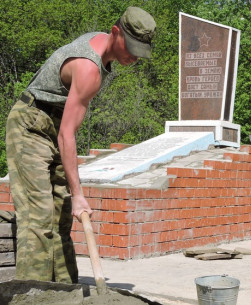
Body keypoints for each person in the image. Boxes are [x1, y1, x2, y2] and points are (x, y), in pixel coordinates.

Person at [5, 7, 156, 283]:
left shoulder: (102, 45)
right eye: (130, 48)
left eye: (139, 52)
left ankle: (66, 291)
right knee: (38, 214)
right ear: (115, 32)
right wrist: (78, 194)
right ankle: (33, 295)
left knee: (62, 217)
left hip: (54, 124)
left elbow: (65, 129)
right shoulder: (89, 69)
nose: (133, 57)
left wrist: (72, 198)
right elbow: (67, 135)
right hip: (30, 124)